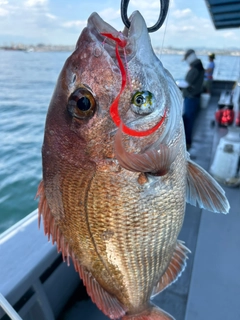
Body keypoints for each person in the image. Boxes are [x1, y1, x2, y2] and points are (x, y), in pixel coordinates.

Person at [181, 49, 205, 150]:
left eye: (186, 58)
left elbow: (187, 82)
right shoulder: (199, 66)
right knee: (189, 119)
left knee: (188, 120)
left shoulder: (195, 68)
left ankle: (187, 142)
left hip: (191, 98)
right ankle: (187, 142)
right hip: (195, 97)